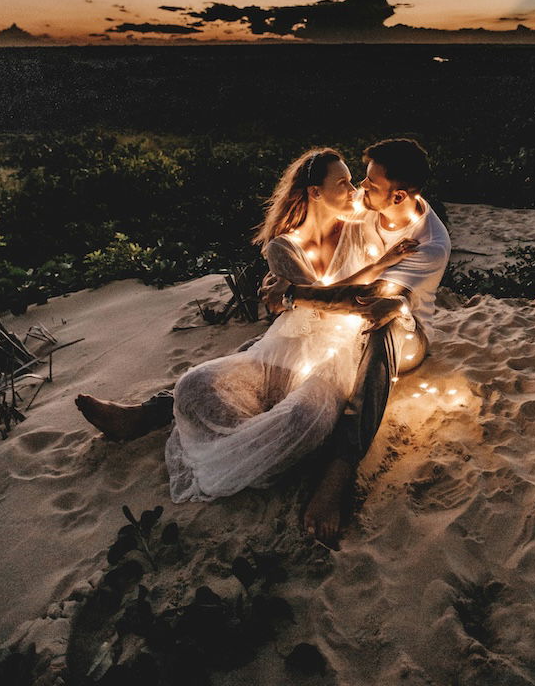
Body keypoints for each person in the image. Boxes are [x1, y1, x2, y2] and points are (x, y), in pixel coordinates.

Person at [75, 147, 418, 504]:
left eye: (353, 181)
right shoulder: (283, 247)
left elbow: (333, 297)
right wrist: (361, 273)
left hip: (344, 348)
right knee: (196, 384)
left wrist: (300, 292)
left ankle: (148, 416)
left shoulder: (363, 226)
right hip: (290, 342)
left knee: (301, 415)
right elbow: (323, 301)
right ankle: (149, 418)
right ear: (315, 192)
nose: (355, 190)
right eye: (343, 183)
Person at [264, 138, 451, 544]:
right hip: (345, 321)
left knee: (381, 321)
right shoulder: (367, 210)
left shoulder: (430, 243)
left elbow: (369, 303)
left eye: (370, 184)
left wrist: (294, 295)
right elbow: (317, 232)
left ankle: (340, 468)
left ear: (398, 194)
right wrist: (286, 276)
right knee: (288, 331)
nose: (361, 190)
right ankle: (161, 406)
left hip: (406, 336)